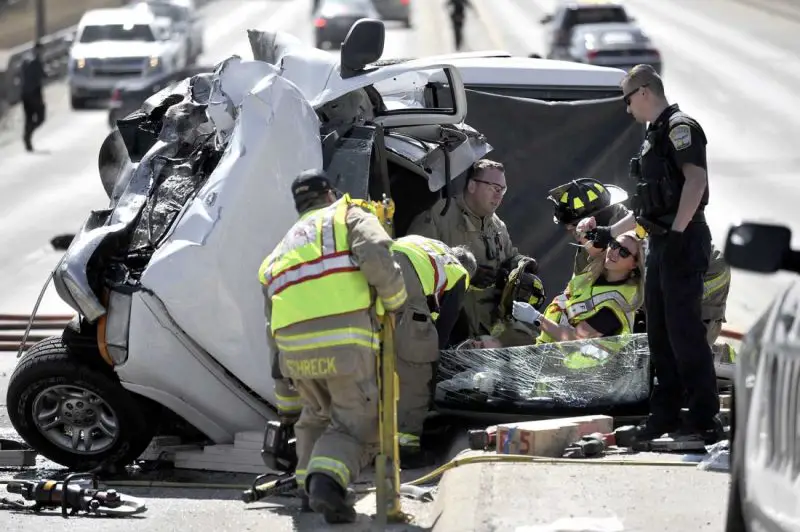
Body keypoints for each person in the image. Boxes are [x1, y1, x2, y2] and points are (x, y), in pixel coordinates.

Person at [258, 169, 407, 524]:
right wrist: (396, 299)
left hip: (294, 353)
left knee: (315, 417)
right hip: (344, 343)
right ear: (330, 194)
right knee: (357, 424)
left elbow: (270, 330)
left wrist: (285, 403)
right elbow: (374, 251)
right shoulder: (347, 214)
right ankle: (326, 483)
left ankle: (309, 494)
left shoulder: (279, 251)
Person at [621, 63, 722, 444]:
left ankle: (703, 417)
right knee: (659, 332)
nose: (628, 109)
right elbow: (649, 207)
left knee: (684, 332)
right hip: (661, 242)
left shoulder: (681, 128)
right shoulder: (654, 134)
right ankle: (663, 415)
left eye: (628, 100)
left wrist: (678, 233)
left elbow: (696, 181)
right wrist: (609, 230)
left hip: (684, 238)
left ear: (644, 92)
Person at [406, 159, 532, 340]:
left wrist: (522, 265)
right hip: (449, 330)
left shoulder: (496, 225)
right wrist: (466, 273)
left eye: (502, 190)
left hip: (490, 330)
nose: (499, 196)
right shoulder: (439, 215)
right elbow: (414, 265)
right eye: (493, 188)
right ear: (472, 185)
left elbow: (510, 255)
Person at [390, 234, 476, 466]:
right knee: (416, 367)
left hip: (376, 266)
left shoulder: (428, 248)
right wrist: (434, 364)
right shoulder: (458, 271)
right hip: (406, 282)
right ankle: (405, 448)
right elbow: (444, 326)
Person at [512, 231, 645, 350]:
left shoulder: (616, 304)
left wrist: (535, 318)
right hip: (548, 355)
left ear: (634, 264)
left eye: (624, 253)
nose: (614, 252)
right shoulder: (591, 276)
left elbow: (575, 339)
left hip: (573, 373)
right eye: (615, 245)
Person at [19, 42, 47, 152]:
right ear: (39, 50)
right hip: (34, 93)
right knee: (41, 117)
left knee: (28, 118)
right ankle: (27, 135)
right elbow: (42, 75)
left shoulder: (25, 59)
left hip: (24, 94)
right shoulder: (36, 61)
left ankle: (27, 141)